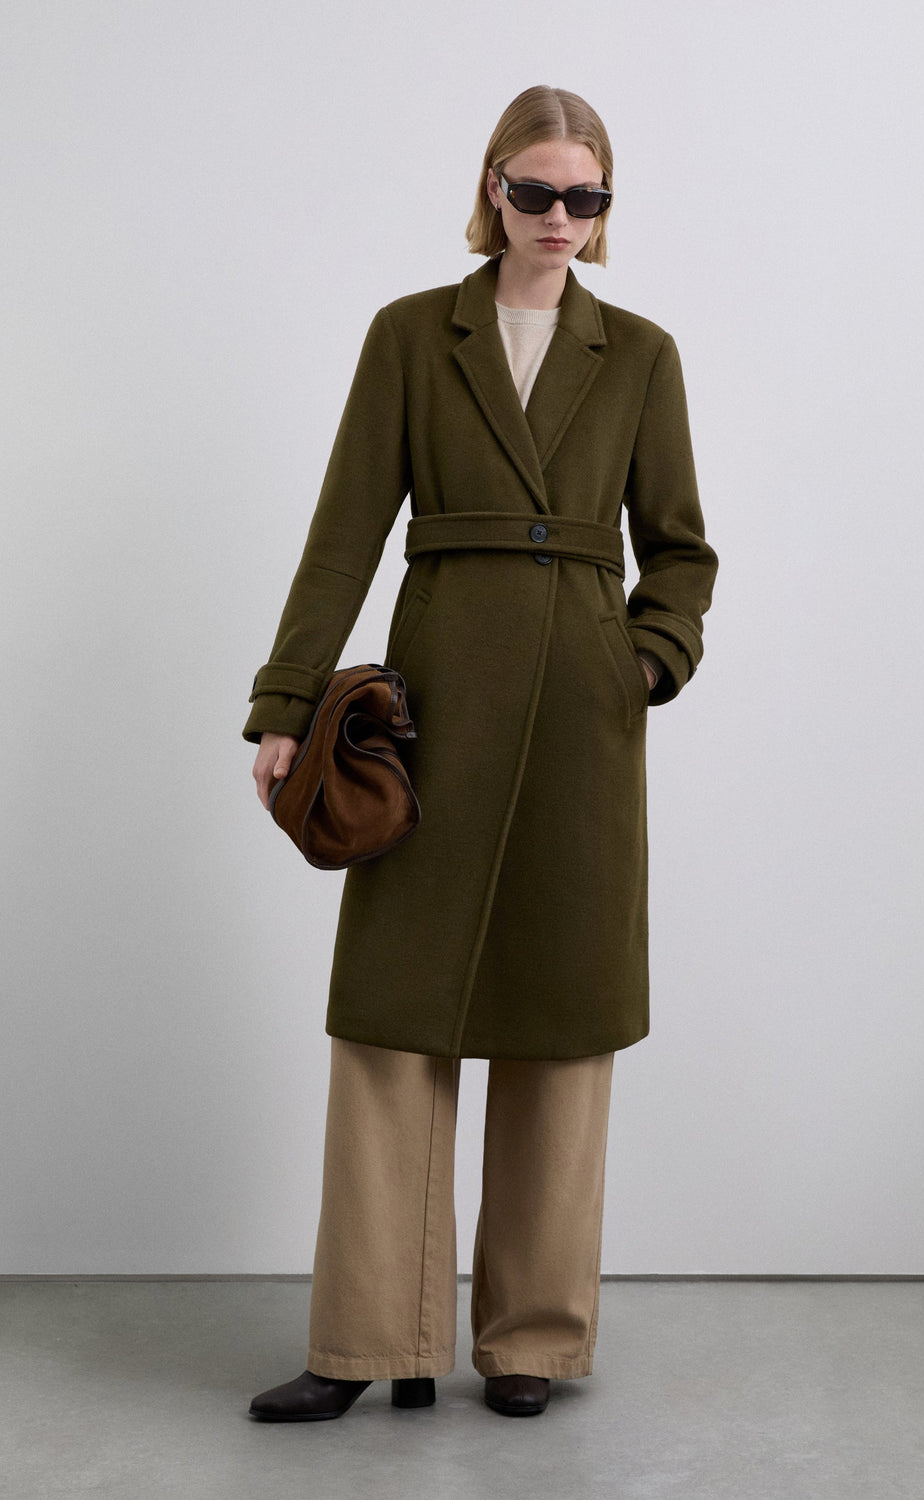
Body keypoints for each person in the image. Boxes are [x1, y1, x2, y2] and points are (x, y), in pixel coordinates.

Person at [244, 84, 718, 1422]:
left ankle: (532, 1341)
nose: (560, 218)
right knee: (393, 1015)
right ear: (493, 190)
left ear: (604, 206)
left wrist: (643, 660)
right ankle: (368, 1341)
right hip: (435, 704)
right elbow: (345, 528)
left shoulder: (638, 354)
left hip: (580, 715)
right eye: (537, 192)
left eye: (586, 197)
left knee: (561, 1018)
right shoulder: (412, 335)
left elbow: (680, 549)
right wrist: (287, 704)